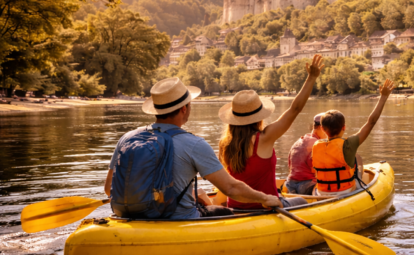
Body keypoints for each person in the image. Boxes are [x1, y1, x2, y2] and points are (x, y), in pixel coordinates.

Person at [104, 77, 282, 219]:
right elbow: (231, 188)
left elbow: (109, 188)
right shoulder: (194, 144)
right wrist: (265, 198)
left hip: (128, 216)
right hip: (180, 218)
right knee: (225, 213)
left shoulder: (127, 138)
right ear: (184, 108)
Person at [218, 54, 325, 210]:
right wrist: (311, 78)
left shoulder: (224, 143)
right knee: (301, 201)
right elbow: (294, 109)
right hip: (266, 206)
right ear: (258, 117)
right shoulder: (265, 138)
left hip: (235, 207)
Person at [312, 79, 395, 196]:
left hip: (321, 192)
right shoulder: (349, 144)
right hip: (345, 191)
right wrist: (383, 97)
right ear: (344, 127)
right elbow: (371, 122)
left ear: (322, 129)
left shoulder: (316, 146)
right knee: (357, 164)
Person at [284, 113, 327, 195]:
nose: (328, 134)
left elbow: (289, 165)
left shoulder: (298, 141)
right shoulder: (317, 144)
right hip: (307, 186)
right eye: (327, 130)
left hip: (290, 185)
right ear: (321, 128)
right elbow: (317, 170)